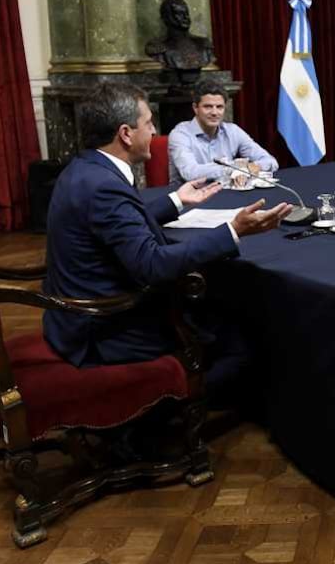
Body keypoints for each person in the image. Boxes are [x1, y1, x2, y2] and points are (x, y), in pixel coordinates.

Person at [43, 83, 292, 389]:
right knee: (241, 337)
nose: (154, 130)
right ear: (125, 133)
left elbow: (115, 224)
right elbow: (153, 264)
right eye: (148, 123)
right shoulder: (104, 186)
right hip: (103, 330)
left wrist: (176, 200)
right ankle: (172, 406)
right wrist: (234, 230)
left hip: (71, 316)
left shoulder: (85, 168)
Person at [167, 81, 278, 188]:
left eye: (219, 107)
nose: (214, 112)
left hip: (225, 194)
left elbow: (270, 161)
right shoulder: (180, 134)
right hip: (189, 199)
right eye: (208, 107)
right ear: (195, 108)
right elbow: (190, 173)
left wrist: (254, 167)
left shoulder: (233, 131)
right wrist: (233, 169)